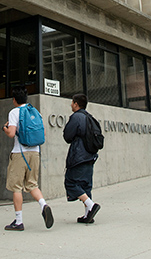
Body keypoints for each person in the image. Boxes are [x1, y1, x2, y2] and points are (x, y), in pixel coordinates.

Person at [2, 86, 53, 231]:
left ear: (14, 100)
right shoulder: (34, 111)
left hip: (20, 153)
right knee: (32, 184)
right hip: (35, 152)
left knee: (16, 187)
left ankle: (19, 221)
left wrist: (5, 129)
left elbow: (11, 133)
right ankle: (44, 205)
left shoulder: (14, 112)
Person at [63, 94, 101, 224]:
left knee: (71, 182)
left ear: (76, 104)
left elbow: (67, 136)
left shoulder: (76, 117)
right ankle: (87, 215)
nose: (71, 105)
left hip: (78, 155)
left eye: (72, 102)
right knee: (86, 185)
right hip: (90, 155)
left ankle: (91, 205)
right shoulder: (90, 118)